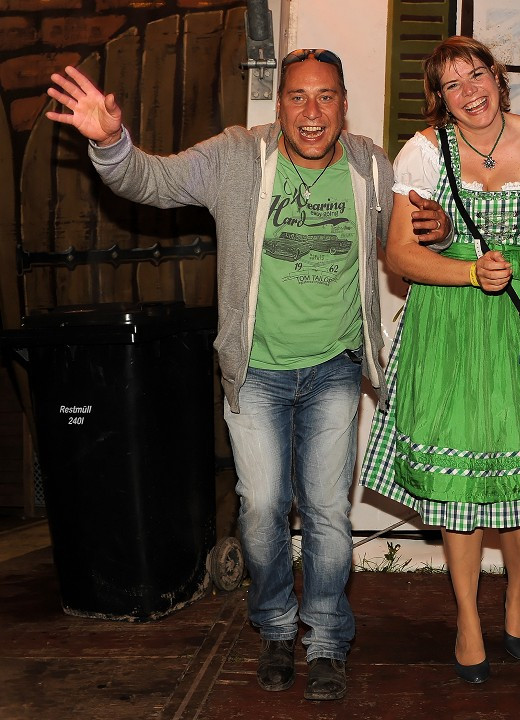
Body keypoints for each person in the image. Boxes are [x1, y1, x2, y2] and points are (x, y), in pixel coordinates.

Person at [45, 49, 449, 702]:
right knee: (261, 511)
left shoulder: (372, 166)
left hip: (334, 371)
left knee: (326, 515)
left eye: (325, 97)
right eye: (297, 97)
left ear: (344, 104)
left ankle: (324, 639)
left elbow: (407, 238)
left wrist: (439, 228)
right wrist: (113, 142)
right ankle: (274, 622)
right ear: (279, 103)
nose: (312, 113)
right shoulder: (237, 156)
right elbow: (151, 181)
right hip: (255, 372)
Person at [360, 36, 520, 684]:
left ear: (498, 77)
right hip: (451, 319)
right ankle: (467, 615)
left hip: (519, 320)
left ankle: (517, 592)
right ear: (441, 99)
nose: (471, 90)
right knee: (461, 488)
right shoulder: (425, 151)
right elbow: (400, 256)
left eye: (478, 74)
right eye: (454, 83)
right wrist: (467, 274)